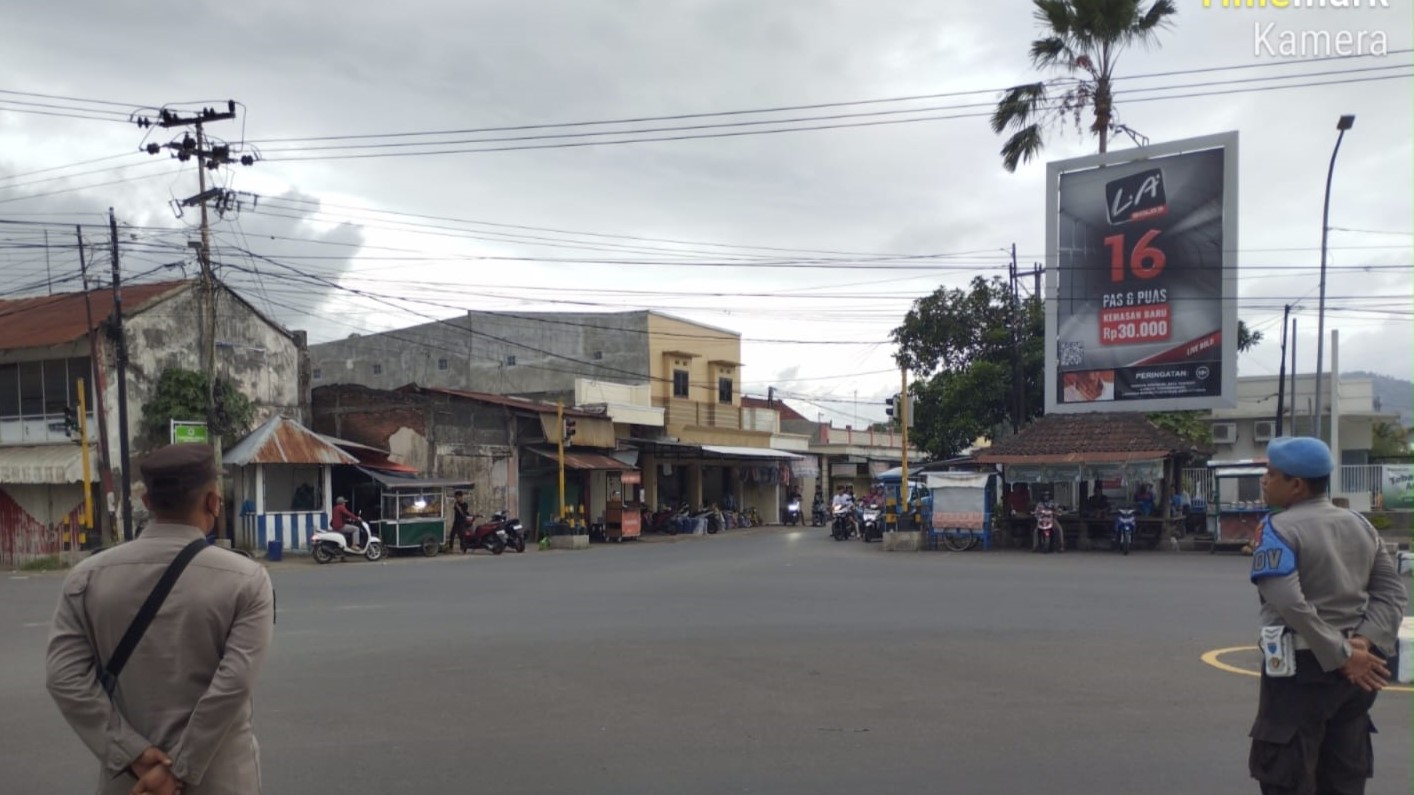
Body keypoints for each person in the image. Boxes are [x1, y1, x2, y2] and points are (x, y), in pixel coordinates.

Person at [46, 443, 274, 795]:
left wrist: (133, 754)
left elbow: (64, 679)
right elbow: (232, 685)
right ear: (213, 501)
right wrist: (178, 770)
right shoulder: (246, 579)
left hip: (134, 782)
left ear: (147, 502)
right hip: (220, 779)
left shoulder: (86, 577)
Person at [1247, 436, 1407, 795]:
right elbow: (1392, 594)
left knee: (1287, 774)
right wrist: (1360, 644)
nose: (1265, 481)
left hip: (1301, 673)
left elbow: (1290, 604)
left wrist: (1342, 655)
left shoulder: (1278, 529)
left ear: (1296, 484)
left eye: (1271, 474)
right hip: (1357, 676)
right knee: (1343, 775)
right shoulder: (1360, 524)